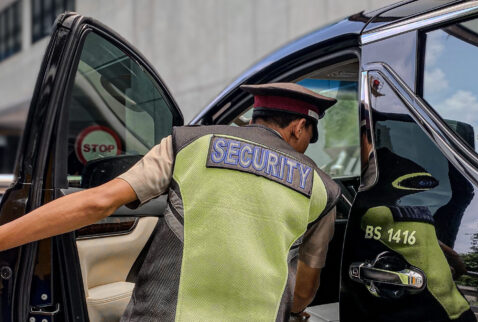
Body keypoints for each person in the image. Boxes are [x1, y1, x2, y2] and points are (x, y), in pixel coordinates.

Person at [0, 82, 340, 322]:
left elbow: (98, 202)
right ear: (299, 127)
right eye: (311, 135)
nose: (307, 143)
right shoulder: (323, 189)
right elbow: (305, 289)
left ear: (254, 118)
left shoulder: (189, 143)